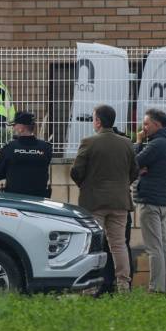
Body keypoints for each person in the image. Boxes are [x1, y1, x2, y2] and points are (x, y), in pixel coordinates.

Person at [70, 105, 139, 292]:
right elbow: (134, 171)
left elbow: (76, 171)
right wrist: (121, 186)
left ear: (98, 121)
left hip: (94, 202)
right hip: (120, 201)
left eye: (93, 118)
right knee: (119, 244)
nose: (93, 121)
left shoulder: (88, 142)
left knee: (93, 244)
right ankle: (124, 284)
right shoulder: (126, 143)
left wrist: (86, 186)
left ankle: (90, 287)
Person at [135, 108, 166, 293]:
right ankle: (165, 286)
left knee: (154, 248)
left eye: (146, 124)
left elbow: (133, 162)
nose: (143, 128)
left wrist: (138, 142)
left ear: (157, 124)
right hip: (162, 202)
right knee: (163, 246)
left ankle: (155, 289)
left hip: (149, 201)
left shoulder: (157, 144)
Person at [0, 111, 52, 198]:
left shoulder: (9, 148)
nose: (13, 128)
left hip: (14, 200)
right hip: (40, 201)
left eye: (14, 125)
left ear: (21, 128)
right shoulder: (46, 148)